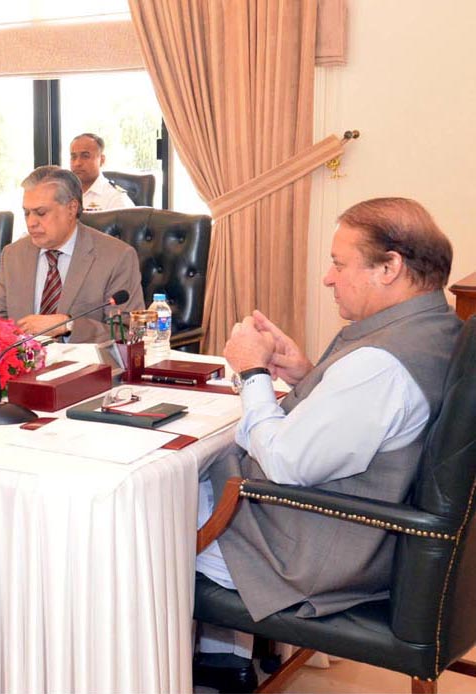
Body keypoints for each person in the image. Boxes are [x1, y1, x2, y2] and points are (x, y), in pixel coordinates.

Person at [194, 197, 462, 692]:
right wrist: (308, 373)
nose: (328, 278)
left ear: (390, 267)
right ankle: (218, 659)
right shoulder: (438, 328)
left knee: (137, 522)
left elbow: (283, 463)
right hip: (372, 535)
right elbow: (377, 425)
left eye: (339, 263)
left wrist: (252, 371)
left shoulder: (379, 366)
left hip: (308, 550)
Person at [0, 166, 143, 343]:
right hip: (24, 368)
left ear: (71, 209)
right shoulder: (13, 255)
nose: (31, 222)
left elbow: (127, 333)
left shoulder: (116, 257)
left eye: (40, 213)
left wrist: (68, 325)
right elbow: (2, 323)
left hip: (84, 369)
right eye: (26, 213)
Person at [69, 133, 134, 212]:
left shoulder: (116, 198)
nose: (77, 163)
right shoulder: (63, 193)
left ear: (102, 160)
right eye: (73, 157)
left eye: (85, 156)